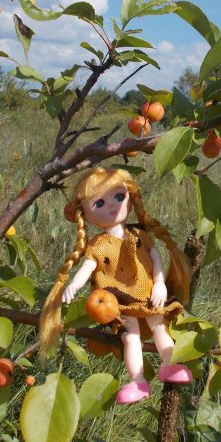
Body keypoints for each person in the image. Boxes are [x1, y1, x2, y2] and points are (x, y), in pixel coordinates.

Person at [39, 167, 194, 404]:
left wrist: (160, 283)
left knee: (159, 327)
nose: (112, 206)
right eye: (98, 204)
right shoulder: (98, 245)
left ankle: (169, 364)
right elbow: (87, 268)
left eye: (119, 197)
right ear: (85, 216)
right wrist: (73, 285)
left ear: (131, 199)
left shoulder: (139, 234)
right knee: (130, 338)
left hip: (148, 294)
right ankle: (138, 381)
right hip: (118, 300)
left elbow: (156, 257)